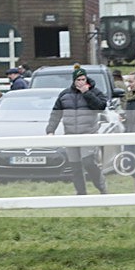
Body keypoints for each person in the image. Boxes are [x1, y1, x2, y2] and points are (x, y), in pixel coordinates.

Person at [46, 65, 108, 195]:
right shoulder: (64, 94)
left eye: (83, 79)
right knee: (75, 166)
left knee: (88, 162)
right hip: (70, 134)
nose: (81, 82)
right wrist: (50, 130)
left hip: (88, 133)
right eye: (78, 79)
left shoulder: (95, 92)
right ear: (74, 81)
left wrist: (87, 93)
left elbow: (101, 107)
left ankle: (101, 185)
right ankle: (81, 192)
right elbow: (56, 113)